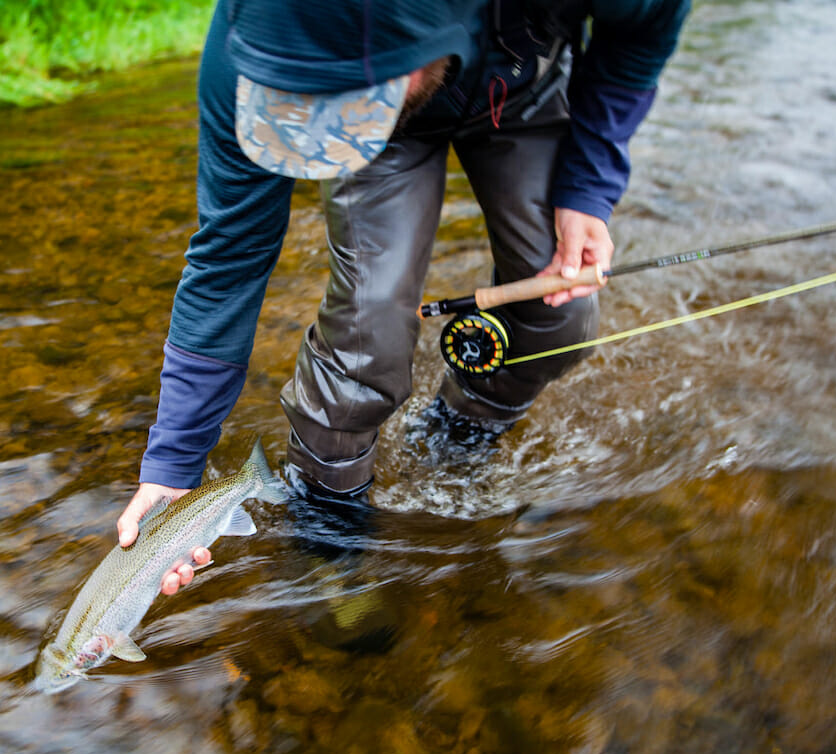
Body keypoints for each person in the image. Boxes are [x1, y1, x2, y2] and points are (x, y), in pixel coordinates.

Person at [117, 0, 691, 592]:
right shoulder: (249, 58)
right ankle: (326, 552)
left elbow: (646, 30)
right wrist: (174, 465)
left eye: (339, 105)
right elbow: (228, 257)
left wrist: (589, 186)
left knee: (562, 319)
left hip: (520, 94)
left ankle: (457, 442)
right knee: (363, 350)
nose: (321, 110)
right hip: (388, 137)